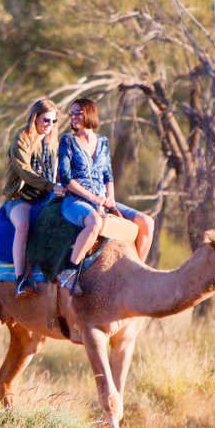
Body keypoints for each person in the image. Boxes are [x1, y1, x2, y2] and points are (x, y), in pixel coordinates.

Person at [57, 98, 155, 295]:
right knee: (94, 223)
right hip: (75, 201)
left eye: (77, 113)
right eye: (71, 113)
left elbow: (108, 175)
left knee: (147, 222)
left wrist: (110, 198)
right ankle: (68, 272)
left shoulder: (102, 142)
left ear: (89, 114)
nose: (73, 117)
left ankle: (137, 272)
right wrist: (94, 199)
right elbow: (66, 179)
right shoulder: (67, 141)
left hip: (102, 199)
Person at [2, 98, 63, 298]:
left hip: (46, 196)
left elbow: (58, 169)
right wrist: (51, 186)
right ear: (35, 118)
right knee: (23, 225)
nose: (50, 125)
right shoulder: (22, 139)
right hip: (20, 198)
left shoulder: (52, 142)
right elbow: (25, 171)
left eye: (54, 121)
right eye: (46, 120)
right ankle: (21, 279)